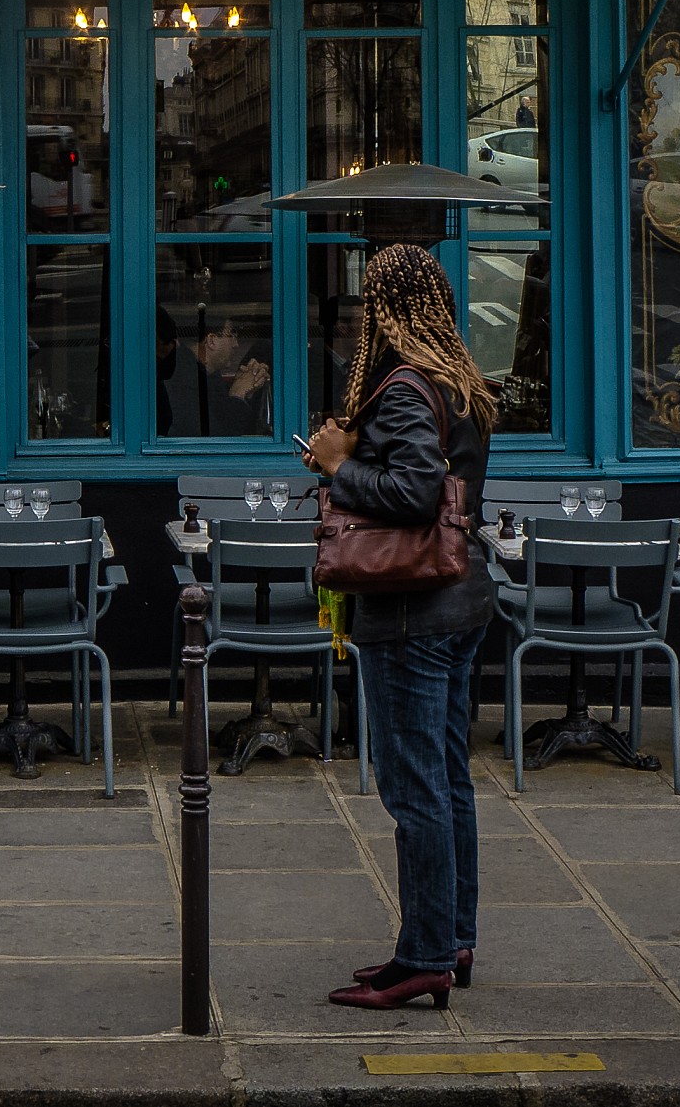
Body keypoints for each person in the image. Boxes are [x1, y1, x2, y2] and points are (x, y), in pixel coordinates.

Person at [303, 245, 496, 1012]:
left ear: (388, 307)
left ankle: (422, 956)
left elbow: (415, 491)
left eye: (368, 303)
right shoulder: (460, 381)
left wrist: (337, 465)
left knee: (414, 786)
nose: (359, 319)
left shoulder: (406, 388)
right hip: (461, 601)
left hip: (412, 611)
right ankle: (452, 936)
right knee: (448, 780)